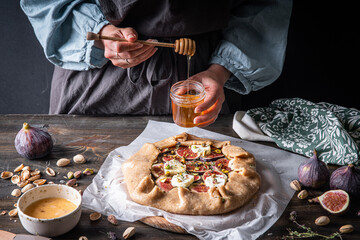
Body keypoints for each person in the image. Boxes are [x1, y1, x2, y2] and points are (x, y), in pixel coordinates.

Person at [20, 0, 292, 127]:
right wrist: (99, 33)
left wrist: (219, 72)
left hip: (203, 68)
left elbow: (264, 5)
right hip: (97, 68)